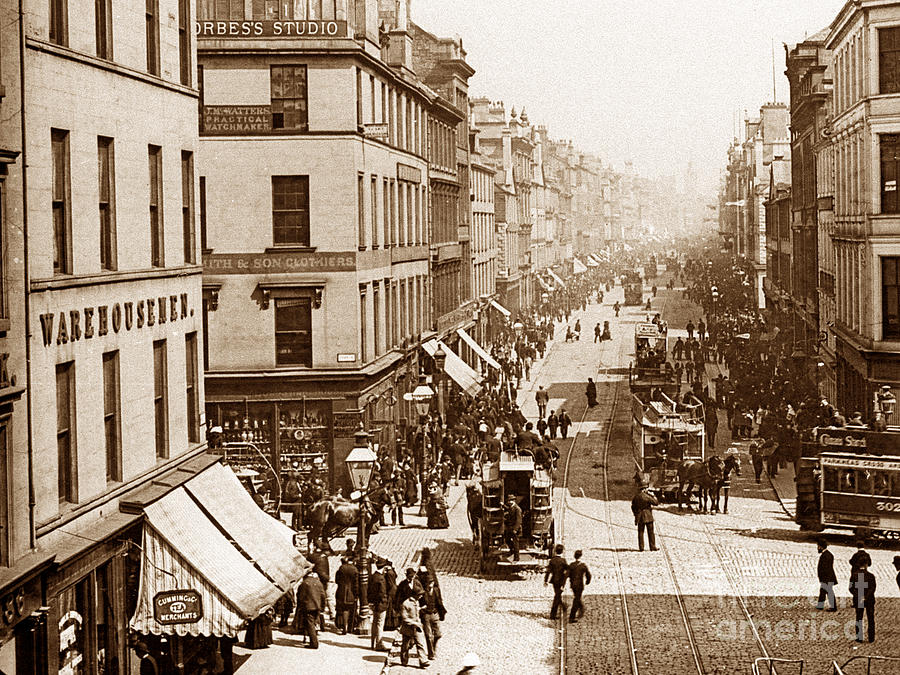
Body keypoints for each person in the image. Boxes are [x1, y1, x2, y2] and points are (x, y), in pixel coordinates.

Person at [296, 569, 325, 649]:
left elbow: (300, 597)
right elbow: (323, 596)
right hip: (317, 607)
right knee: (314, 623)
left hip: (308, 607)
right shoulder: (319, 583)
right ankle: (312, 640)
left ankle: (314, 643)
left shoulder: (304, 584)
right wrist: (322, 607)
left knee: (310, 625)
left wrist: (300, 606)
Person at [399, 593, 430, 668]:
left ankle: (423, 661)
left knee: (420, 644)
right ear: (415, 595)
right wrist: (414, 623)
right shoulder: (405, 604)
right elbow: (404, 618)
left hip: (417, 628)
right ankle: (404, 660)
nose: (421, 596)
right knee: (405, 646)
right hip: (407, 628)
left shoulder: (417, 602)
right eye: (420, 594)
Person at [420, 577, 446, 661]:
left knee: (438, 634)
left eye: (431, 582)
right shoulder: (423, 592)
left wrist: (441, 613)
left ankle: (433, 648)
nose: (430, 584)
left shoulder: (436, 590)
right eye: (429, 583)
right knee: (428, 635)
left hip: (435, 614)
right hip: (426, 615)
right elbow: (419, 603)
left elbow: (440, 601)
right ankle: (431, 654)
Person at [849, 562, 876, 643]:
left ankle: (859, 637)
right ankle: (871, 638)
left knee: (859, 618)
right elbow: (873, 588)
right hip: (869, 599)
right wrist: (866, 596)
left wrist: (858, 595)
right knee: (870, 618)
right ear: (866, 565)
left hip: (858, 599)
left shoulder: (854, 575)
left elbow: (851, 588)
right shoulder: (870, 576)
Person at [334, 556, 359, 635]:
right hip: (350, 592)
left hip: (341, 591)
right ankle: (349, 627)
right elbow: (356, 584)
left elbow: (336, 580)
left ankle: (343, 625)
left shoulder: (341, 568)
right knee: (350, 609)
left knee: (343, 609)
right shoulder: (354, 569)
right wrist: (356, 594)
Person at [544, 544, 569, 620]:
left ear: (555, 551)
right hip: (561, 581)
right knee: (557, 596)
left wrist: (546, 581)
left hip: (554, 580)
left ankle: (563, 606)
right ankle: (553, 615)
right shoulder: (563, 561)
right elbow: (568, 570)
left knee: (557, 595)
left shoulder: (552, 561)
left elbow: (548, 571)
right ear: (562, 552)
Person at [631, 485, 659, 551]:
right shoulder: (647, 496)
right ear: (644, 489)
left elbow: (633, 507)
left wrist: (636, 514)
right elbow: (656, 503)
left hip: (640, 516)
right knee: (651, 532)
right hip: (648, 516)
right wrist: (653, 496)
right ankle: (652, 546)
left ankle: (641, 547)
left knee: (640, 532)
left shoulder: (636, 497)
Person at [567, 550, 591, 624]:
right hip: (580, 585)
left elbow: (567, 574)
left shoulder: (571, 565)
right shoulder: (583, 566)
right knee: (576, 600)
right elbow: (588, 575)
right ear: (581, 556)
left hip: (573, 585)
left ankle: (581, 608)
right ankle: (572, 616)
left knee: (577, 597)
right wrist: (587, 581)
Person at [370, 560, 389, 651]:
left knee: (374, 623)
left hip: (374, 603)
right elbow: (382, 593)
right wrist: (386, 601)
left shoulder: (373, 576)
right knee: (380, 624)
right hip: (381, 604)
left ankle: (373, 642)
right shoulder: (381, 578)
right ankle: (379, 643)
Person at [816, 538, 838, 611]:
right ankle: (820, 605)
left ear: (821, 547)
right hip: (828, 577)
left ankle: (833, 607)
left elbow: (824, 568)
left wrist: (822, 578)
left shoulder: (825, 556)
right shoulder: (829, 554)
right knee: (823, 591)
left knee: (829, 592)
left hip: (826, 578)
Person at [503, 494, 523, 561]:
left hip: (515, 529)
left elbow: (519, 520)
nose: (509, 502)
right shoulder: (511, 507)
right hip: (510, 528)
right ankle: (511, 550)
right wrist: (503, 505)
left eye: (511, 500)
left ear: (514, 501)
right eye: (509, 500)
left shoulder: (518, 509)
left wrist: (515, 529)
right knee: (507, 540)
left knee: (516, 544)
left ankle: (516, 558)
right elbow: (508, 509)